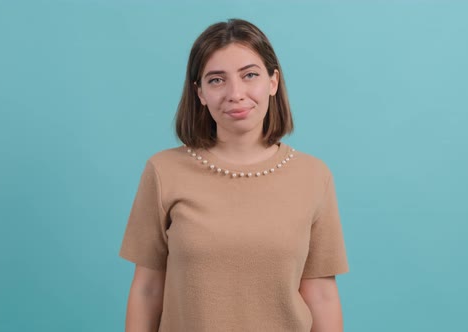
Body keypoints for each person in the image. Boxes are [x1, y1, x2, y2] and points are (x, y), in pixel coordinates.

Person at [119, 18, 349, 332]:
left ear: (272, 81)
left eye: (249, 75)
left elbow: (321, 295)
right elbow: (147, 291)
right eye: (216, 80)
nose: (235, 93)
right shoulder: (163, 172)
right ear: (199, 93)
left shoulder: (313, 176)